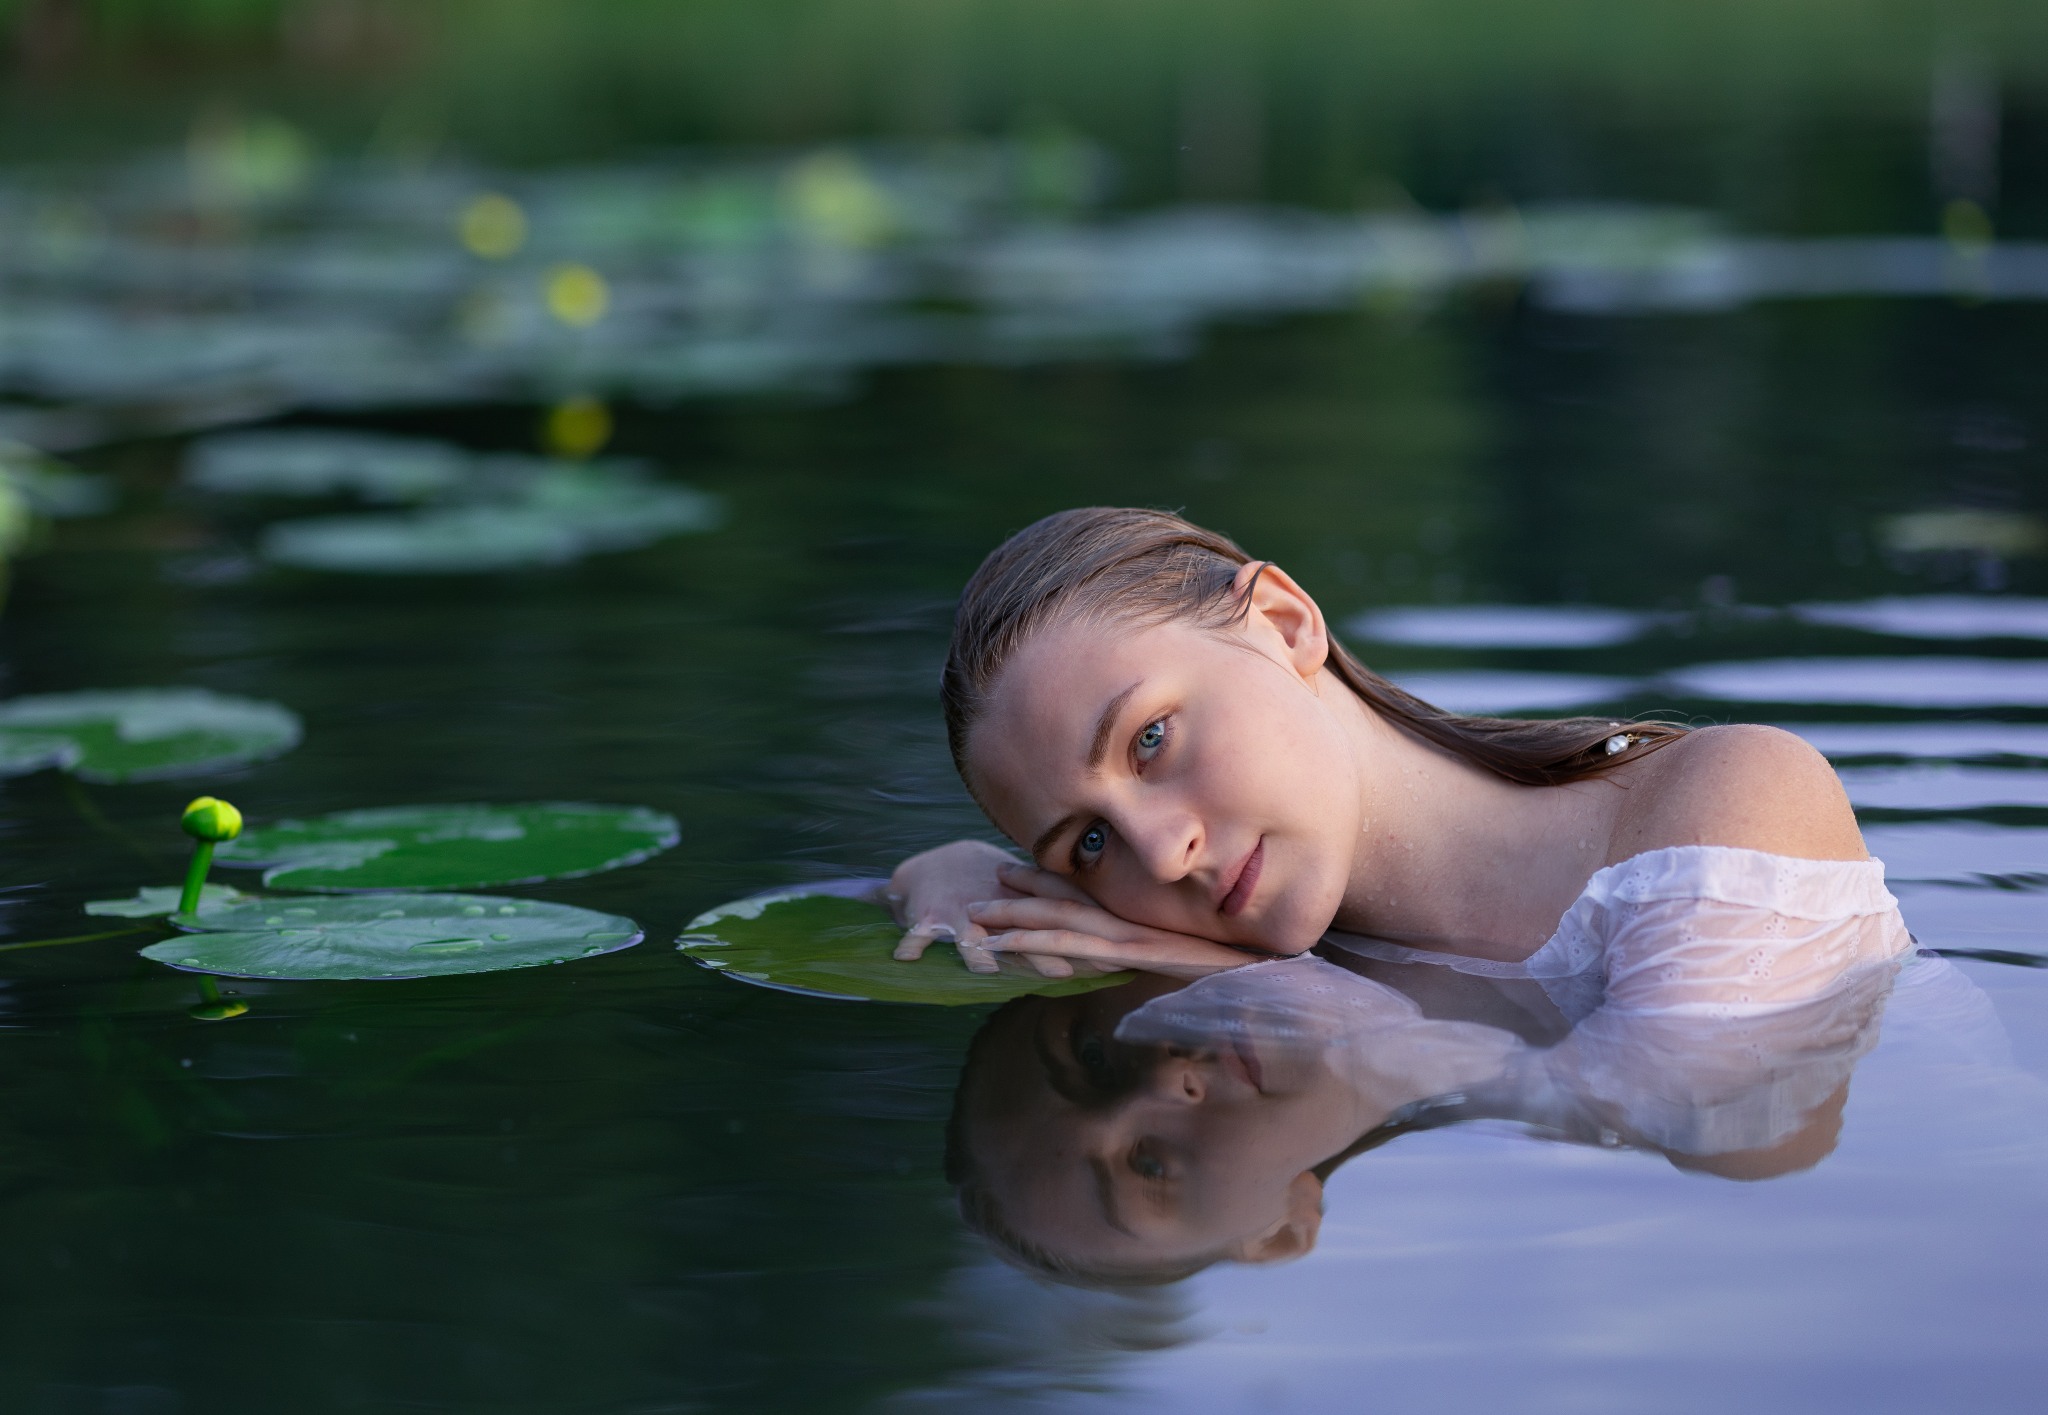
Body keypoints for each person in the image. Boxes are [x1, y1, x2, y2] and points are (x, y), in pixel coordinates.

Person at [887, 506, 1875, 979]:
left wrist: (1252, 985)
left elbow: (1678, 1106)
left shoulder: (1725, 798)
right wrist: (960, 868)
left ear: (1282, 623)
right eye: (1086, 844)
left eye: (1149, 738)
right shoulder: (1318, 962)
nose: (1158, 851)